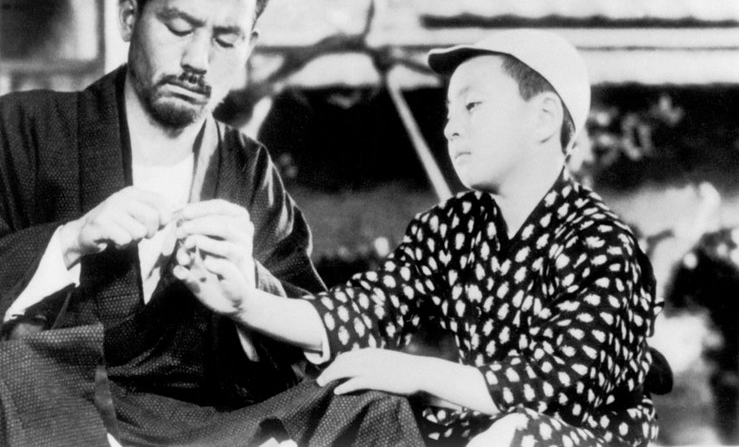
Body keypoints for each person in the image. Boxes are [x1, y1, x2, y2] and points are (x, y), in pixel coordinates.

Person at [0, 0, 423, 446]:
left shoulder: (248, 170)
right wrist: (69, 241)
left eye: (226, 39)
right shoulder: (18, 132)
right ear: (129, 18)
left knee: (374, 408)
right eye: (179, 28)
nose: (198, 60)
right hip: (67, 413)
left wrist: (249, 287)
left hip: (212, 427)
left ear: (250, 46)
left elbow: (309, 339)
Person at [175, 29, 661, 446]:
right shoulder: (453, 226)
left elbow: (559, 389)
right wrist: (246, 303)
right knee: (355, 403)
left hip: (579, 437)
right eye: (450, 111)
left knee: (516, 434)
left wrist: (415, 372)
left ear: (544, 118)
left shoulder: (602, 245)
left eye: (473, 105)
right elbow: (363, 312)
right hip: (478, 428)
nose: (451, 128)